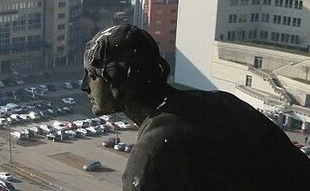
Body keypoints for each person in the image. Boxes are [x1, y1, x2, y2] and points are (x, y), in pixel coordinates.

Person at [81, 24, 310, 190]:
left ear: (117, 80)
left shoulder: (152, 153)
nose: (84, 86)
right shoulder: (222, 102)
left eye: (91, 75)